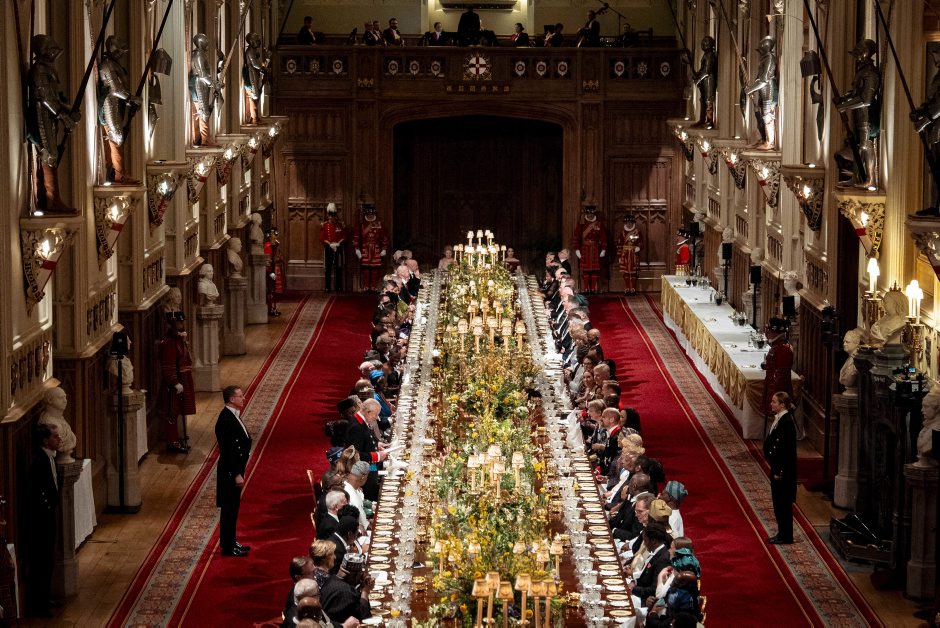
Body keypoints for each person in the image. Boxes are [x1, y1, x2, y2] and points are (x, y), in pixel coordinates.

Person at [27, 35, 81, 213]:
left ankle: (51, 198)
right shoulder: (39, 71)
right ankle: (52, 200)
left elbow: (56, 97)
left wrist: (69, 111)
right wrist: (63, 116)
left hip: (50, 114)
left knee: (52, 153)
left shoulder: (48, 69)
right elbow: (46, 98)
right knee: (49, 154)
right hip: (42, 114)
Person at [24, 423, 60, 617]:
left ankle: (45, 598)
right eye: (55, 436)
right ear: (45, 441)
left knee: (48, 561)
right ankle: (38, 605)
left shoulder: (50, 458)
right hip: (40, 521)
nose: (58, 439)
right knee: (40, 562)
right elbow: (35, 493)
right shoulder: (39, 461)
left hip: (48, 516)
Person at [835, 39, 880, 188]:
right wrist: (844, 98)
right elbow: (856, 92)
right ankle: (856, 177)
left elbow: (866, 99)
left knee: (866, 146)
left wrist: (844, 106)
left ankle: (870, 179)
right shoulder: (862, 71)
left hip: (867, 114)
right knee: (857, 146)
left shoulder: (870, 73)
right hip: (859, 113)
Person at [98, 35, 142, 184]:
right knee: (116, 135)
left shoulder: (114, 64)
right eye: (120, 51)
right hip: (110, 101)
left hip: (119, 101)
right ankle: (118, 173)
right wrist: (131, 98)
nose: (122, 54)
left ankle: (118, 171)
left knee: (119, 134)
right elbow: (115, 89)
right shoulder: (107, 65)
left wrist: (129, 100)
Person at [215, 385, 253, 556]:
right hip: (230, 472)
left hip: (235, 469)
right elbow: (229, 451)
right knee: (229, 509)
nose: (243, 398)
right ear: (231, 399)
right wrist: (237, 474)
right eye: (240, 396)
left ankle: (231, 541)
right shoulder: (225, 420)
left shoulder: (232, 415)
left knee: (233, 508)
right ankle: (228, 547)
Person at [158, 312, 195, 453]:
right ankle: (172, 441)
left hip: (184, 379)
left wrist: (184, 342)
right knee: (172, 412)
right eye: (180, 322)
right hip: (175, 382)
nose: (182, 324)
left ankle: (177, 438)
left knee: (179, 410)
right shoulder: (168, 342)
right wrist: (174, 382)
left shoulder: (179, 340)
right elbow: (168, 364)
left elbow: (187, 359)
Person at [764, 391, 797, 545]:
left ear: (782, 404)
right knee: (778, 504)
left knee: (783, 504)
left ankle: (786, 536)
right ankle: (782, 533)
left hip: (783, 472)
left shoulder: (787, 422)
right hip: (777, 468)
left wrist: (779, 471)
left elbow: (785, 451)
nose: (771, 404)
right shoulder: (781, 419)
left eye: (774, 401)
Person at [744, 36, 778, 150]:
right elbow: (759, 77)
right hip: (762, 89)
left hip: (768, 88)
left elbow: (764, 79)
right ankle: (763, 138)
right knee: (759, 112)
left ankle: (770, 142)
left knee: (767, 115)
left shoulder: (769, 58)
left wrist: (750, 89)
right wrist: (753, 88)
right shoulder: (764, 58)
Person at [189, 33, 222, 146]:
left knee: (204, 110)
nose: (207, 44)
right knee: (204, 112)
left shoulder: (201, 55)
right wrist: (214, 84)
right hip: (199, 82)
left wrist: (214, 83)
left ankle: (203, 138)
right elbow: (202, 74)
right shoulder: (199, 56)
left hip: (202, 83)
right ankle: (204, 140)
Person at [761, 317, 793, 416]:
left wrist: (776, 397)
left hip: (777, 392)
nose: (768, 333)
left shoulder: (784, 350)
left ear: (777, 333)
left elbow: (781, 378)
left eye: (771, 331)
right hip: (771, 387)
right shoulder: (776, 347)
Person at [353, 204, 389, 291]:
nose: (370, 216)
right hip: (365, 249)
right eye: (368, 215)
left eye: (372, 215)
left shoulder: (379, 224)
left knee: (375, 268)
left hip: (375, 249)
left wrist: (384, 249)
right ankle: (366, 286)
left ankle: (374, 286)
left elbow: (384, 237)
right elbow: (356, 237)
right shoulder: (361, 225)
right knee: (365, 268)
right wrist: (357, 249)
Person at [571, 204, 607, 293]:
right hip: (584, 249)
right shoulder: (581, 224)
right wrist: (577, 249)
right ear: (586, 214)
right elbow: (576, 237)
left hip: (595, 249)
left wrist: (603, 249)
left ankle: (593, 288)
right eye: (588, 214)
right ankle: (586, 288)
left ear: (594, 214)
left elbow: (603, 237)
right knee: (585, 270)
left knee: (595, 270)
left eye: (592, 214)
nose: (590, 215)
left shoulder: (599, 224)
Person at [686, 36, 717, 129]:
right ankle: (702, 119)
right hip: (704, 80)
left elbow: (707, 70)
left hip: (709, 79)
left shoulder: (710, 55)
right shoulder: (706, 55)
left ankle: (709, 120)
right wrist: (696, 75)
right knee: (702, 99)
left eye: (705, 42)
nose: (703, 44)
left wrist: (699, 79)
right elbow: (702, 69)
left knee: (708, 99)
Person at [243, 32, 271, 125]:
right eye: (256, 40)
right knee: (254, 94)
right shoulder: (250, 51)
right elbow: (254, 63)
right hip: (251, 73)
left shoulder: (255, 51)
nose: (258, 42)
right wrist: (262, 68)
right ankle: (254, 117)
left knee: (258, 93)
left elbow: (258, 62)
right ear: (251, 41)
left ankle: (255, 116)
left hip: (256, 73)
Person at [320, 203, 347, 292]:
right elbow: (322, 238)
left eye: (333, 216)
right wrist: (329, 244)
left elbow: (344, 236)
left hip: (338, 248)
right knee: (328, 268)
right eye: (330, 216)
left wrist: (339, 243)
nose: (331, 218)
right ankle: (327, 287)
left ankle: (338, 287)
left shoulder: (340, 225)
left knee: (339, 268)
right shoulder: (325, 225)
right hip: (329, 248)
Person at [617, 214, 641, 294]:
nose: (629, 224)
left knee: (633, 272)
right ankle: (627, 288)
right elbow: (619, 245)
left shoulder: (637, 232)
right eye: (627, 223)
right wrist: (619, 256)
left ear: (633, 223)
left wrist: (639, 247)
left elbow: (641, 242)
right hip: (625, 254)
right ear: (625, 223)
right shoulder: (622, 233)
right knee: (626, 271)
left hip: (634, 254)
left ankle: (633, 288)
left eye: (630, 222)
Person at [265, 228, 285, 316]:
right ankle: (269, 309)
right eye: (273, 235)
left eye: (276, 235)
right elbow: (268, 260)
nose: (275, 237)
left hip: (273, 269)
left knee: (272, 290)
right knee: (269, 290)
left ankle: (272, 308)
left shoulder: (275, 244)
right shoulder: (267, 246)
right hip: (269, 271)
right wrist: (270, 272)